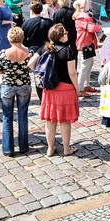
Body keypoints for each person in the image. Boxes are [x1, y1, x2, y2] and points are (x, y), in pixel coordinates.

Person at [28, 24, 79, 157]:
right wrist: (77, 89)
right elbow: (72, 73)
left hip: (49, 89)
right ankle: (67, 148)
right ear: (61, 36)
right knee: (64, 120)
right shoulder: (68, 51)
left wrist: (42, 75)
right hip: (66, 89)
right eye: (65, 33)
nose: (67, 34)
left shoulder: (44, 48)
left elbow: (30, 64)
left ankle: (50, 148)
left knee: (50, 120)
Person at [0, 27, 31, 157]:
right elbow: (32, 69)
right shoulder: (28, 52)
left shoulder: (3, 53)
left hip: (7, 86)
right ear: (22, 38)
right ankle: (23, 146)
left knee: (7, 117)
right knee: (23, 115)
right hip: (24, 85)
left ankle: (8, 148)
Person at [73, 0, 102, 97]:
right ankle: (80, 88)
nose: (90, 3)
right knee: (85, 66)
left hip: (88, 42)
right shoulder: (82, 16)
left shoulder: (84, 14)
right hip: (85, 43)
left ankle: (86, 84)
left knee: (89, 63)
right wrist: (98, 27)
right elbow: (90, 28)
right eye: (88, 2)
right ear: (84, 4)